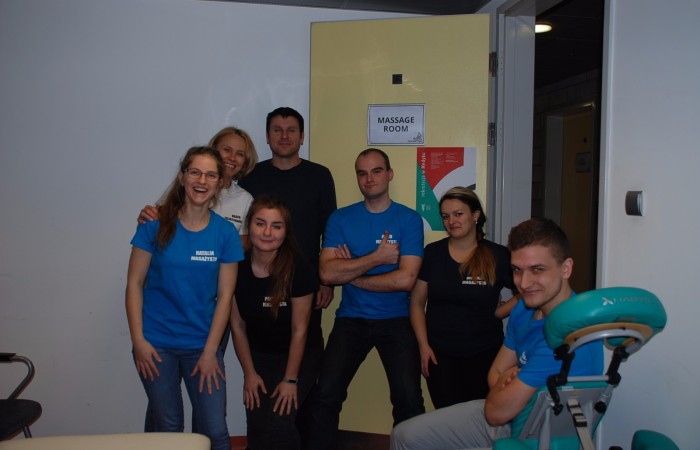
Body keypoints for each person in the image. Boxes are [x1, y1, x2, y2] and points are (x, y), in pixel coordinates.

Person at [389, 218, 604, 450]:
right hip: (509, 419)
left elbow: (494, 412)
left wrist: (509, 381)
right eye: (517, 270)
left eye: (537, 269)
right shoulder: (524, 308)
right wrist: (508, 381)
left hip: (537, 437)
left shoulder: (567, 336)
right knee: (403, 434)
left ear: (566, 268)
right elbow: (495, 373)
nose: (524, 283)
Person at [125, 146, 244, 450]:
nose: (202, 181)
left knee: (215, 431)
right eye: (195, 172)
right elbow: (134, 283)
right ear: (182, 177)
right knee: (169, 428)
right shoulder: (154, 224)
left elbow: (225, 296)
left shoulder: (226, 234)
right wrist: (139, 341)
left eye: (210, 175)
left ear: (219, 183)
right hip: (156, 345)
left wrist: (211, 351)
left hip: (202, 345)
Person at [306, 148, 425, 450]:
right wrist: (377, 258)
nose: (369, 178)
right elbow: (327, 273)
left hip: (397, 319)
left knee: (409, 400)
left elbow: (405, 280)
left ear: (390, 174)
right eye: (362, 173)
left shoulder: (409, 219)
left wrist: (351, 272)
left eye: (376, 171)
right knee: (325, 395)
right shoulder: (341, 218)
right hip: (351, 319)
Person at [238, 107, 337, 443]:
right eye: (277, 130)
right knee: (263, 413)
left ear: (302, 136)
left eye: (291, 130)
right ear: (267, 137)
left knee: (300, 385)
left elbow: (329, 230)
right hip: (259, 283)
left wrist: (325, 280)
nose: (284, 136)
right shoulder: (251, 177)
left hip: (305, 285)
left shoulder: (319, 175)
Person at [410, 186, 519, 409]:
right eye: (445, 216)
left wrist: (502, 310)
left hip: (485, 354)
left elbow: (528, 290)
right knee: (447, 417)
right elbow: (417, 303)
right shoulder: (433, 253)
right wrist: (423, 345)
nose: (451, 221)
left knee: (480, 416)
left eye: (458, 214)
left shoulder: (498, 255)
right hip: (439, 355)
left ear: (475, 215)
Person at [229, 195, 321, 450]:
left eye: (276, 226)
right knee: (257, 425)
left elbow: (300, 330)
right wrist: (249, 374)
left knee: (280, 422)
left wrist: (290, 380)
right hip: (260, 355)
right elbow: (238, 326)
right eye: (260, 223)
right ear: (249, 226)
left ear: (286, 232)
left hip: (300, 354)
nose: (267, 232)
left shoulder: (299, 269)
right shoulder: (236, 268)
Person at [140, 126, 258, 248]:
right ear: (213, 150)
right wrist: (147, 218)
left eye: (240, 154)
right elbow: (157, 221)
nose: (232, 158)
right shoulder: (190, 186)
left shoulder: (245, 199)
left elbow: (238, 247)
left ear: (245, 161)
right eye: (227, 150)